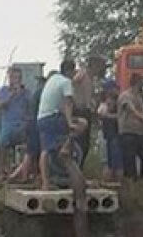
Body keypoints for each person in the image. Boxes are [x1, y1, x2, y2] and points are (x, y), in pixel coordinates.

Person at [37, 59, 79, 190]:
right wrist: (70, 122)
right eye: (73, 72)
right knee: (83, 123)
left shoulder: (52, 79)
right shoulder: (66, 82)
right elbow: (68, 104)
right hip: (53, 118)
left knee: (45, 150)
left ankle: (45, 183)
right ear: (70, 71)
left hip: (41, 118)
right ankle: (65, 149)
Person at [7, 72, 48, 183]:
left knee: (31, 153)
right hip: (35, 125)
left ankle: (17, 176)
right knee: (31, 153)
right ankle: (23, 177)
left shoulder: (34, 94)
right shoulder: (41, 93)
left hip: (30, 124)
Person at [0, 66, 30, 181]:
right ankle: (2, 172)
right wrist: (11, 95)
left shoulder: (26, 92)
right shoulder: (4, 90)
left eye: (17, 77)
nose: (15, 80)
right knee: (1, 144)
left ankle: (24, 172)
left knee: (31, 144)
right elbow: (0, 105)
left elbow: (30, 107)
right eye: (13, 77)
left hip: (21, 124)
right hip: (8, 124)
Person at [71, 57, 105, 167]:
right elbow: (72, 83)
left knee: (85, 144)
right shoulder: (82, 75)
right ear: (94, 66)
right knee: (80, 142)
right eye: (100, 67)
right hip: (79, 111)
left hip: (86, 111)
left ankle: (79, 168)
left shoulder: (91, 79)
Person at [118, 82, 143, 180]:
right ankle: (130, 185)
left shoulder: (139, 98)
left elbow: (142, 111)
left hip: (139, 133)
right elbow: (131, 110)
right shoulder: (125, 96)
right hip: (128, 133)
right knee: (129, 162)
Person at [96, 80, 122, 184]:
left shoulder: (106, 105)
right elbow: (102, 116)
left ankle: (110, 184)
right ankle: (111, 184)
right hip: (109, 136)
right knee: (111, 163)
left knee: (111, 163)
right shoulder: (105, 105)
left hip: (109, 136)